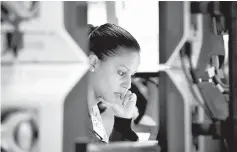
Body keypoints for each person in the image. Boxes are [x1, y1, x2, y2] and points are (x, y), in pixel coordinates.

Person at [86, 23, 141, 143]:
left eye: (131, 75)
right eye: (122, 73)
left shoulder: (92, 111)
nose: (128, 84)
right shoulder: (72, 119)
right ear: (93, 63)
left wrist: (123, 121)